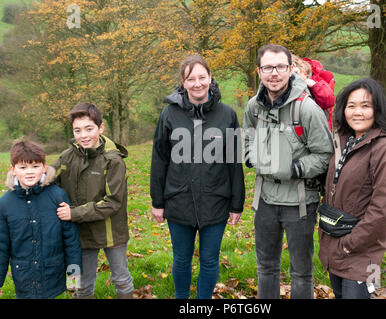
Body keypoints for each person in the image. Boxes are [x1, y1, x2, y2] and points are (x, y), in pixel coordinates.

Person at [150, 55, 245, 299]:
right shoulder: (169, 115)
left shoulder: (227, 115)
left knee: (210, 259)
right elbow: (159, 159)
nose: (197, 83)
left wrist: (237, 203)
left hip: (216, 199)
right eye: (191, 79)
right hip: (178, 199)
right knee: (181, 258)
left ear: (210, 78)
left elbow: (234, 161)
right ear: (183, 82)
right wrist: (157, 201)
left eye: (202, 77)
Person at [243, 44, 333, 299]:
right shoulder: (254, 107)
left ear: (291, 69)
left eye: (280, 67)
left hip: (300, 202)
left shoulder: (307, 108)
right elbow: (247, 137)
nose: (274, 73)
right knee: (266, 268)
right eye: (268, 67)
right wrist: (252, 158)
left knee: (301, 272)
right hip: (265, 200)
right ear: (259, 71)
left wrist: (293, 169)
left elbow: (324, 155)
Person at [318, 78, 386, 299]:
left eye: (366, 105)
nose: (357, 112)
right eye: (351, 106)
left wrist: (350, 244)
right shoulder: (345, 141)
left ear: (378, 109)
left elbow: (385, 208)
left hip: (364, 252)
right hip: (337, 247)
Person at [52, 102, 134, 299]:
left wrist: (74, 213)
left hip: (110, 230)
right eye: (77, 130)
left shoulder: (113, 160)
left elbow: (113, 202)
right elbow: (46, 180)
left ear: (101, 127)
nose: (83, 135)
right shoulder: (66, 157)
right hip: (81, 233)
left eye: (89, 129)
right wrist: (22, 180)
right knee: (81, 284)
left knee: (121, 279)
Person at [0, 141, 81, 299]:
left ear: (44, 167)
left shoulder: (58, 196)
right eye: (23, 167)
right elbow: (1, 246)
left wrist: (74, 275)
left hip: (53, 274)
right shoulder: (5, 204)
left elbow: (71, 239)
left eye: (35, 166)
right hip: (23, 277)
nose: (29, 172)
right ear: (13, 170)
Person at [292, 55, 335, 130]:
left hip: (318, 128)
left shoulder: (316, 80)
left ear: (303, 71)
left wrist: (314, 85)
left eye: (296, 73)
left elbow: (328, 101)